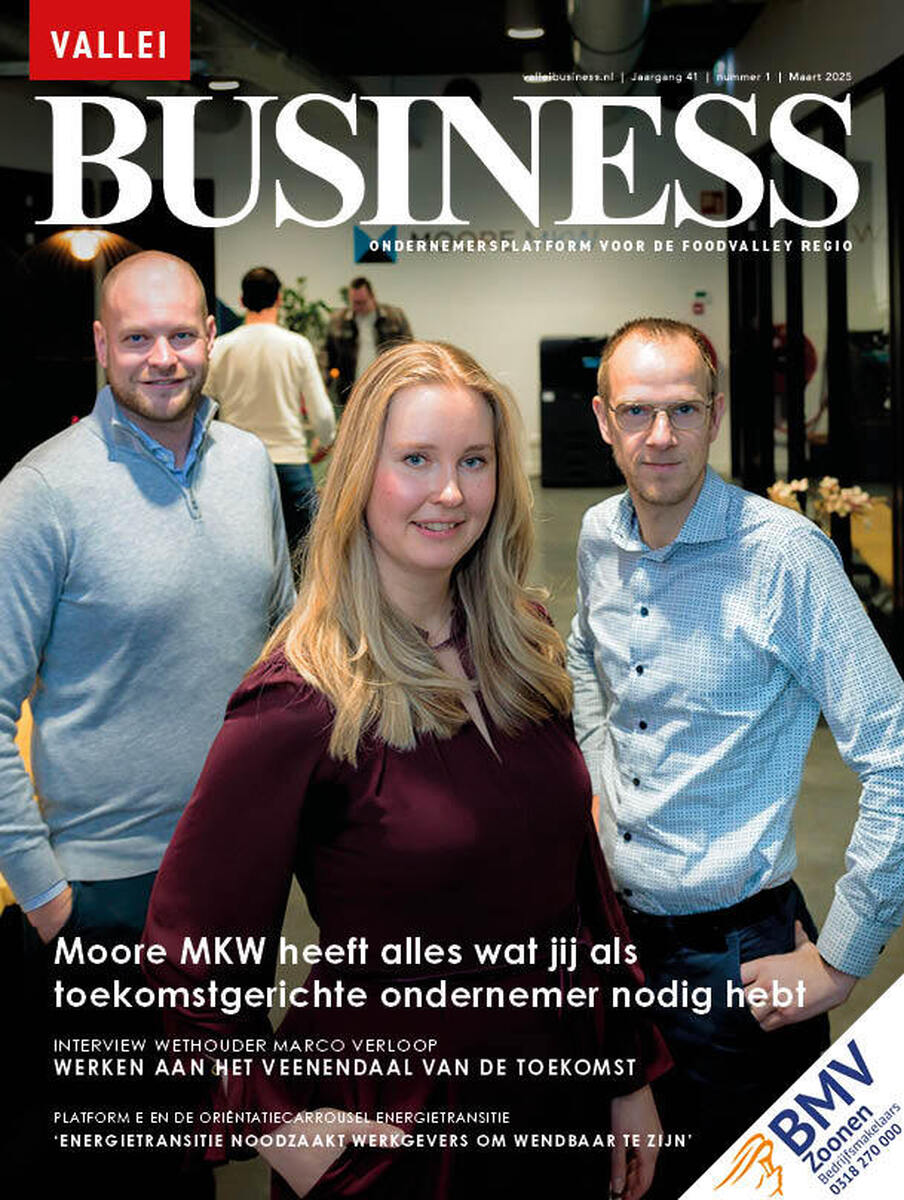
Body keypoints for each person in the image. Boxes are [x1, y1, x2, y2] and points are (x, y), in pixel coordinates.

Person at [144, 340, 670, 1199]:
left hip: (555, 1094)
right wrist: (278, 1125)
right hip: (403, 1130)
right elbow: (186, 952)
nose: (450, 492)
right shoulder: (298, 700)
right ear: (360, 475)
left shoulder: (524, 650)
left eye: (474, 461)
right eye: (416, 460)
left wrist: (628, 1069)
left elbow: (581, 887)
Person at [566, 316, 904, 1197]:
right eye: (637, 411)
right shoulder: (599, 535)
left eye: (683, 409)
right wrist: (600, 775)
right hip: (615, 948)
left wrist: (839, 960)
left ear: (715, 416)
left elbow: (897, 754)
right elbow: (583, 656)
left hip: (741, 965)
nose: (660, 436)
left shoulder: (784, 558)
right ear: (603, 420)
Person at [0, 250, 294, 1193]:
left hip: (235, 882)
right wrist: (52, 901)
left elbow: (283, 649)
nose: (161, 358)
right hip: (109, 893)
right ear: (101, 345)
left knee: (205, 1145)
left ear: (211, 336)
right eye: (136, 338)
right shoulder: (40, 494)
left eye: (179, 335)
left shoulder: (249, 466)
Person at [206, 266, 336, 559]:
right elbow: (322, 414)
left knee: (244, 556)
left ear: (241, 300)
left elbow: (202, 409)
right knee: (306, 558)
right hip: (290, 462)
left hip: (237, 465)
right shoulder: (296, 346)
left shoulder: (221, 348)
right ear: (279, 298)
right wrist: (326, 440)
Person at [326, 276, 412, 404]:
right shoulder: (339, 321)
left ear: (372, 297)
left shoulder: (394, 317)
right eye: (354, 303)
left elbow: (408, 352)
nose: (358, 307)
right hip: (350, 389)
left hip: (386, 386)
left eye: (362, 302)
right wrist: (325, 385)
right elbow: (328, 356)